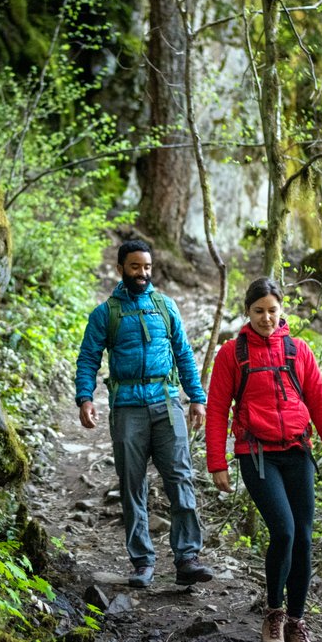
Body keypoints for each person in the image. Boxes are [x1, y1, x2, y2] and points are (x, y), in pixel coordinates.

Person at [205, 277, 322, 642]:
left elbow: (320, 403)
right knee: (283, 531)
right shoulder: (231, 355)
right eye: (258, 311)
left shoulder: (298, 350)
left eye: (272, 310)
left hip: (298, 453)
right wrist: (217, 462)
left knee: (303, 537)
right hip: (256, 455)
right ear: (247, 313)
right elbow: (217, 409)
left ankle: (297, 623)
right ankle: (273, 613)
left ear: (281, 309)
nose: (266, 318)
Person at [75, 240, 214, 589]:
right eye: (135, 267)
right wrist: (85, 398)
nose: (143, 273)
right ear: (121, 268)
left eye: (147, 267)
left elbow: (183, 354)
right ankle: (142, 562)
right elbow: (88, 358)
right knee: (132, 484)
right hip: (127, 408)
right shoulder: (105, 313)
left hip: (167, 403)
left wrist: (196, 397)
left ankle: (187, 558)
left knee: (180, 479)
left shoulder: (165, 306)